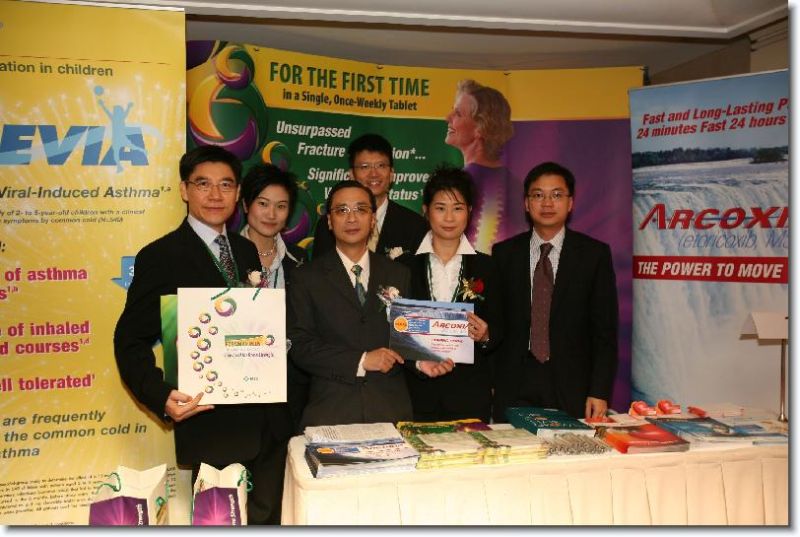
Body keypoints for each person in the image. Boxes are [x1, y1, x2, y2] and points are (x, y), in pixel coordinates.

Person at [113, 145, 292, 525]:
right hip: (212, 425)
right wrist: (161, 396)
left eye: (225, 185)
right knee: (221, 522)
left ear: (237, 192)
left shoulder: (245, 250)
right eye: (203, 184)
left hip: (267, 422)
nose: (215, 195)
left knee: (269, 520)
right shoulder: (160, 256)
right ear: (184, 190)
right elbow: (129, 340)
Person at [288, 180, 450, 427]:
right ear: (329, 221)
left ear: (373, 219)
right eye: (342, 210)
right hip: (331, 412)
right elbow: (300, 347)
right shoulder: (306, 277)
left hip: (391, 411)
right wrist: (361, 360)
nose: (352, 218)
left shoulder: (398, 273)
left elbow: (405, 335)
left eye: (361, 209)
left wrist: (420, 361)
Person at [491, 161, 618, 421]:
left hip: (573, 386)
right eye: (538, 195)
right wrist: (491, 382)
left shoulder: (594, 255)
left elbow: (605, 332)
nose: (547, 203)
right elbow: (496, 323)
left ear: (570, 203)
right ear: (526, 204)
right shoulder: (504, 254)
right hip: (515, 383)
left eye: (557, 195)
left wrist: (599, 391)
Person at [398, 165, 502, 423]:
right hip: (416, 395)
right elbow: (394, 331)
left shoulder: (488, 267)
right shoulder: (404, 266)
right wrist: (416, 364)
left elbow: (502, 328)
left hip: (470, 397)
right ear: (425, 210)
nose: (449, 218)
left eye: (457, 208)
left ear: (469, 211)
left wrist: (486, 335)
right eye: (440, 208)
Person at [239, 163, 309, 430]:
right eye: (263, 203)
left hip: (290, 393)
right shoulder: (225, 258)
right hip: (237, 389)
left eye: (281, 206)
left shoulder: (299, 260)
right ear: (246, 205)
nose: (271, 214)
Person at [312, 133, 427, 260]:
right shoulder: (330, 224)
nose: (374, 174)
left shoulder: (416, 226)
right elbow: (319, 269)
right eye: (365, 167)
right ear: (351, 174)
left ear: (391, 173)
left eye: (381, 166)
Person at [445, 79, 521, 253]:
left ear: (480, 128)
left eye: (458, 113)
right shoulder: (514, 182)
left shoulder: (463, 183)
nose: (447, 117)